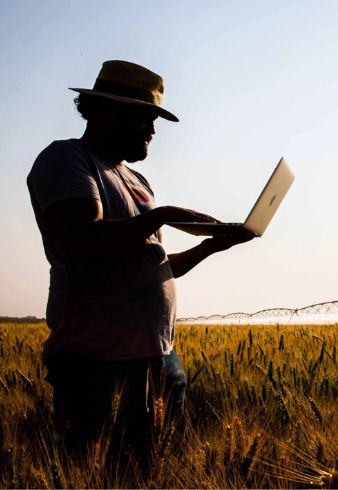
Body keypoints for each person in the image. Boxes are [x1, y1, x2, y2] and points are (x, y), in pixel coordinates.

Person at [26, 60, 253, 464]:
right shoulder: (67, 159)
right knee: (91, 472)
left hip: (159, 355)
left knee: (150, 471)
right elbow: (81, 240)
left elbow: (155, 263)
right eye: (146, 118)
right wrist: (161, 214)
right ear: (107, 112)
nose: (152, 131)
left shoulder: (136, 181)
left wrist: (213, 247)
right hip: (97, 359)